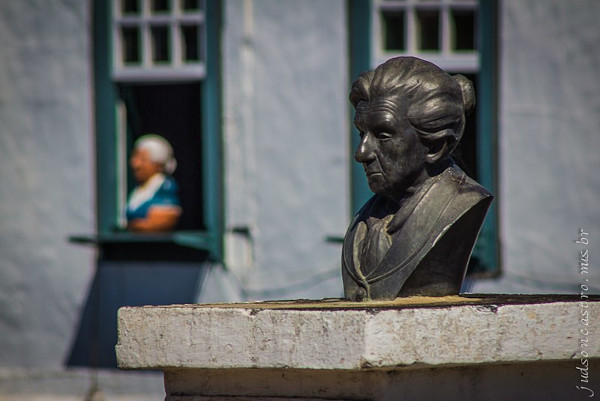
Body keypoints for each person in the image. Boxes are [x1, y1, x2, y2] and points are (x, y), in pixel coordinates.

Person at [342, 57, 493, 301]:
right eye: (362, 133)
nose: (361, 153)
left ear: (435, 146)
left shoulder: (462, 204)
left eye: (382, 135)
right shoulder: (362, 224)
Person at [126, 134, 181, 232]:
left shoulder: (165, 187)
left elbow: (162, 219)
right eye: (135, 158)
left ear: (158, 164)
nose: (136, 164)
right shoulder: (138, 189)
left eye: (143, 160)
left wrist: (139, 225)